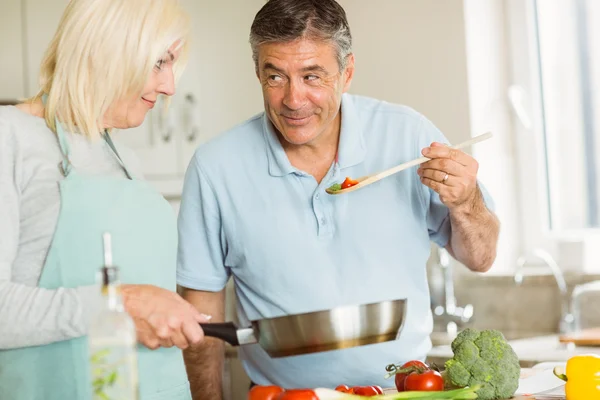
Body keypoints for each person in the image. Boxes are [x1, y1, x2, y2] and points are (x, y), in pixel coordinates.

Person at [176, 0, 500, 397]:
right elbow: (200, 315)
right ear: (257, 72)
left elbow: (481, 257)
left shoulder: (408, 137)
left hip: (404, 391)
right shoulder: (215, 167)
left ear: (346, 72)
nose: (294, 100)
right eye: (275, 77)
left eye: (312, 76)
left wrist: (466, 202)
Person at [0, 0, 210, 399]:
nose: (170, 87)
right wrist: (120, 305)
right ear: (108, 51)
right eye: (158, 63)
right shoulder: (9, 137)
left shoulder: (124, 158)